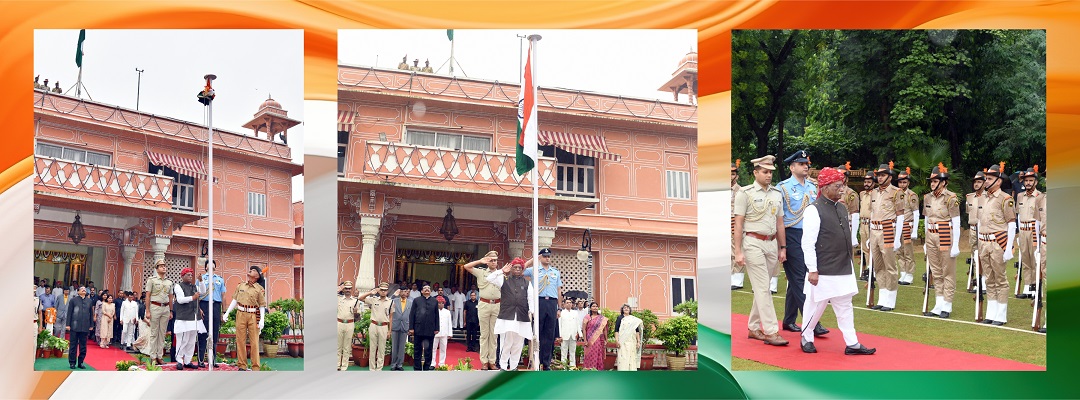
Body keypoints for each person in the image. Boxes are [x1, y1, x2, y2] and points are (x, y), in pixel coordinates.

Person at [797, 167, 877, 356]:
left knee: (845, 306)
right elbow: (807, 243)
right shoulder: (813, 210)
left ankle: (852, 343)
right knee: (815, 304)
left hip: (843, 265)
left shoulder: (841, 207)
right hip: (823, 267)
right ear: (824, 187)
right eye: (837, 186)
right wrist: (812, 269)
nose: (842, 189)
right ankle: (806, 336)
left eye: (842, 185)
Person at [733, 155, 789, 346]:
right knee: (763, 287)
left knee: (762, 286)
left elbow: (780, 223)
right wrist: (738, 251)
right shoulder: (745, 193)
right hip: (753, 242)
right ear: (755, 172)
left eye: (771, 172)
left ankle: (754, 327)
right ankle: (772, 331)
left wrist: (783, 247)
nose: (768, 175)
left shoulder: (776, 193)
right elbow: (738, 224)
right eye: (765, 172)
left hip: (772, 243)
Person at [777, 150, 828, 336]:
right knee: (801, 279)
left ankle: (789, 320)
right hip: (792, 235)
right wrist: (781, 245)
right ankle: (813, 322)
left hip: (810, 236)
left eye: (806, 163)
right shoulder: (782, 188)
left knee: (796, 279)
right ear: (792, 167)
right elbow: (779, 218)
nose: (806, 166)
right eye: (801, 164)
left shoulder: (812, 187)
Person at [978, 163, 1017, 326]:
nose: (986, 181)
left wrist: (1009, 248)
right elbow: (981, 221)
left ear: (999, 181)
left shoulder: (1005, 199)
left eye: (990, 179)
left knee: (1000, 279)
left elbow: (1011, 224)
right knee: (989, 279)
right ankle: (991, 312)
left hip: (997, 243)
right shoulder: (984, 198)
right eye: (986, 178)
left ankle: (1001, 314)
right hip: (984, 243)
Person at [922, 164, 961, 318]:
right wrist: (925, 240)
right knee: (936, 271)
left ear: (943, 182)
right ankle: (938, 304)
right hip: (931, 234)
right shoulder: (927, 197)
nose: (932, 184)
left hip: (945, 232)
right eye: (931, 181)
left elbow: (956, 221)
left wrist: (956, 244)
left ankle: (947, 305)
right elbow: (926, 218)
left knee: (947, 271)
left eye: (935, 181)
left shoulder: (951, 198)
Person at [487, 257, 536, 371]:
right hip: (507, 316)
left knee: (518, 343)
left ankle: (514, 366)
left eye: (520, 267)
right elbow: (489, 278)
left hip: (522, 316)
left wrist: (532, 311)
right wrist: (501, 271)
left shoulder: (527, 283)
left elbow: (530, 299)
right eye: (515, 267)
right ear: (511, 269)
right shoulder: (503, 279)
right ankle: (503, 366)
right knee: (506, 342)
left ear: (522, 269)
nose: (518, 269)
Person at [868, 162, 905, 311]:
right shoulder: (874, 192)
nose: (880, 178)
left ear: (890, 177)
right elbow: (872, 212)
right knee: (878, 266)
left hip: (888, 229)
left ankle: (890, 299)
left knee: (890, 266)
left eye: (883, 175)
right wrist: (871, 233)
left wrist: (897, 238)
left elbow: (900, 216)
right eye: (879, 175)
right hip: (874, 230)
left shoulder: (897, 192)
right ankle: (882, 297)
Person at [462, 251, 502, 370]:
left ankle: (492, 361)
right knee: (484, 334)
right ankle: (484, 361)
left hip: (497, 305)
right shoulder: (481, 272)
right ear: (487, 261)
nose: (493, 262)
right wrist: (480, 261)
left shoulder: (500, 274)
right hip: (484, 304)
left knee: (494, 335)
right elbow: (466, 266)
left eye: (495, 260)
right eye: (491, 260)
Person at [524, 248, 562, 370]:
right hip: (539, 302)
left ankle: (546, 363)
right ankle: (535, 360)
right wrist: (534, 259)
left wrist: (559, 308)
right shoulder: (534, 270)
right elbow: (521, 270)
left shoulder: (555, 272)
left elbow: (559, 290)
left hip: (551, 303)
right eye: (545, 256)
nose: (547, 258)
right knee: (537, 332)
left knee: (549, 334)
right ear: (541, 257)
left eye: (548, 256)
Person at [224, 266, 267, 370]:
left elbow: (262, 305)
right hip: (241, 313)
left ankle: (255, 367)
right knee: (240, 340)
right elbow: (235, 300)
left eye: (253, 270)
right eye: (250, 270)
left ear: (257, 276)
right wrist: (227, 312)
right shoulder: (241, 286)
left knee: (254, 342)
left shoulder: (259, 289)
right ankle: (242, 365)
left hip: (253, 315)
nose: (250, 271)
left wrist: (262, 319)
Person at [1015, 166, 1044, 299]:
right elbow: (1018, 215)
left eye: (1031, 180)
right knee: (1025, 260)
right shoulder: (1020, 196)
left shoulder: (1040, 197)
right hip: (1022, 230)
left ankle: (1036, 288)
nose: (1028, 183)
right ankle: (1028, 288)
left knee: (1035, 260)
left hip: (1034, 230)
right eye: (1026, 180)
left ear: (1036, 182)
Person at [142, 259, 174, 365]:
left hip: (165, 308)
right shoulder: (151, 280)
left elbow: (170, 298)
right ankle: (153, 357)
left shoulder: (169, 282)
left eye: (164, 266)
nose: (164, 267)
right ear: (156, 269)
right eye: (161, 266)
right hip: (154, 306)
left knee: (162, 333)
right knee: (154, 333)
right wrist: (147, 310)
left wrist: (171, 310)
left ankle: (160, 356)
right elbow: (147, 296)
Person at [173, 268, 204, 370]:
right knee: (183, 340)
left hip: (194, 317)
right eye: (188, 275)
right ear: (182, 276)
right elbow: (180, 300)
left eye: (191, 275)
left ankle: (187, 361)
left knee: (191, 341)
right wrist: (193, 298)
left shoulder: (194, 286)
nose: (190, 276)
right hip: (184, 318)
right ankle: (179, 361)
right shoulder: (178, 286)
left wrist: (201, 281)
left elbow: (203, 291)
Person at [197, 260, 226, 367]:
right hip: (204, 306)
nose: (211, 264)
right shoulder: (201, 279)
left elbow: (223, 296)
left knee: (214, 333)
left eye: (213, 263)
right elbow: (197, 295)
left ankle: (212, 360)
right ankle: (200, 360)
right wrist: (198, 308)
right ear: (205, 267)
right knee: (203, 333)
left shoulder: (220, 280)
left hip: (216, 306)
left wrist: (224, 312)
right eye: (208, 263)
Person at [360, 282, 393, 371]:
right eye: (381, 290)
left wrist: (389, 331)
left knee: (382, 349)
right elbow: (360, 298)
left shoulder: (391, 302)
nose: (383, 292)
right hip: (374, 325)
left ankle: (379, 369)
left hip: (384, 326)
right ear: (379, 291)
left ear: (387, 291)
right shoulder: (374, 299)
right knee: (373, 348)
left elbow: (390, 317)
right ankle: (372, 368)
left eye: (385, 290)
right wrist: (371, 292)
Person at [895, 168, 920, 285]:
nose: (902, 184)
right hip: (897, 225)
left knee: (908, 251)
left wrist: (914, 230)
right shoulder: (895, 194)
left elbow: (916, 213)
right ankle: (903, 272)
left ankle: (909, 274)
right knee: (899, 251)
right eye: (900, 182)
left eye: (904, 182)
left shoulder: (912, 195)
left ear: (908, 183)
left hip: (907, 225)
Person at [965, 171, 987, 293]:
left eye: (979, 182)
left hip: (984, 229)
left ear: (984, 183)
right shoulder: (969, 197)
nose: (976, 184)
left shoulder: (988, 196)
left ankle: (984, 282)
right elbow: (969, 213)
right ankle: (978, 281)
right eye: (975, 182)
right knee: (974, 255)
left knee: (983, 255)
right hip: (973, 229)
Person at [410, 284, 439, 371]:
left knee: (428, 350)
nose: (427, 289)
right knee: (417, 350)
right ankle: (417, 368)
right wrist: (411, 328)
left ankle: (426, 368)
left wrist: (437, 328)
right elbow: (412, 315)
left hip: (430, 330)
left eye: (428, 288)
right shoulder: (416, 300)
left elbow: (436, 315)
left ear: (430, 291)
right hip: (418, 329)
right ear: (421, 291)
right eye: (425, 288)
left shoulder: (434, 301)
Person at [66, 287, 95, 369]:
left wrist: (91, 325)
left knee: (83, 346)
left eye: (85, 289)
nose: (84, 290)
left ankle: (81, 362)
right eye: (81, 289)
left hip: (85, 327)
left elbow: (91, 314)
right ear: (78, 292)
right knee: (73, 345)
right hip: (74, 326)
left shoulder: (89, 301)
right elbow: (69, 313)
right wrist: (68, 324)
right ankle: (72, 362)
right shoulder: (73, 300)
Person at [335, 281, 360, 371]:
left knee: (347, 346)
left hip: (350, 323)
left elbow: (358, 317)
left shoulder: (355, 300)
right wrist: (339, 288)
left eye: (349, 288)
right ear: (344, 289)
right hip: (340, 323)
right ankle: (337, 364)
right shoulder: (339, 298)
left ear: (351, 289)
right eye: (346, 288)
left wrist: (356, 312)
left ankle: (344, 366)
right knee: (338, 345)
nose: (348, 290)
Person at [389, 286, 412, 371]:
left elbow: (411, 316)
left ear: (407, 293)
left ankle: (399, 364)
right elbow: (387, 302)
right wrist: (394, 295)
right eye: (401, 291)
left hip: (405, 326)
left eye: (405, 291)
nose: (403, 293)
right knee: (394, 346)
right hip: (395, 326)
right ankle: (393, 364)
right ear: (399, 292)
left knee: (402, 347)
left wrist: (410, 327)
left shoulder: (410, 302)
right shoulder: (394, 301)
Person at [859, 171, 876, 281]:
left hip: (871, 222)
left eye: (869, 182)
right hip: (863, 223)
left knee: (872, 247)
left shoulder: (876, 194)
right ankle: (868, 270)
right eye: (865, 181)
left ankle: (872, 270)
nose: (866, 184)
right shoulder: (861, 194)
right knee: (864, 247)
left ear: (874, 183)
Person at [732, 160, 746, 290]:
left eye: (733, 173)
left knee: (737, 250)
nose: (730, 176)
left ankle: (737, 280)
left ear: (736, 176)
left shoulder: (741, 191)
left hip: (735, 223)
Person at [615, 304, 643, 370]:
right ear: (622, 310)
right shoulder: (620, 318)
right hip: (622, 341)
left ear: (630, 310)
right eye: (624, 308)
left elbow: (637, 331)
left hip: (632, 341)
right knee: (623, 357)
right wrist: (617, 340)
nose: (626, 309)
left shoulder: (633, 319)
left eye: (628, 308)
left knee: (632, 357)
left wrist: (638, 341)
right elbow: (616, 330)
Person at [581, 301, 607, 370]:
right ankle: (588, 370)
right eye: (593, 306)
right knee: (589, 355)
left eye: (596, 306)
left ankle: (597, 370)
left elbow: (604, 330)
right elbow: (584, 329)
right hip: (589, 340)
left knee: (597, 355)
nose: (595, 308)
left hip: (598, 340)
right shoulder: (587, 317)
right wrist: (585, 340)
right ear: (590, 308)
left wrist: (606, 340)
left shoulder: (601, 318)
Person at [557, 298, 580, 368]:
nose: (569, 304)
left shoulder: (575, 313)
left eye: (570, 302)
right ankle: (563, 367)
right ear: (564, 304)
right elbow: (559, 325)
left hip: (573, 335)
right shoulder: (561, 313)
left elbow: (577, 324)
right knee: (564, 352)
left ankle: (572, 367)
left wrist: (579, 333)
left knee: (572, 352)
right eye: (567, 302)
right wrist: (560, 336)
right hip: (564, 335)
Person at [432, 297, 452, 368]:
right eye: (439, 303)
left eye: (442, 303)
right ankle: (432, 363)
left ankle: (442, 363)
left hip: (444, 333)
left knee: (443, 349)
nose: (441, 304)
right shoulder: (433, 311)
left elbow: (449, 323)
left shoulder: (447, 312)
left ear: (444, 304)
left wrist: (450, 333)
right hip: (435, 333)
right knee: (433, 349)